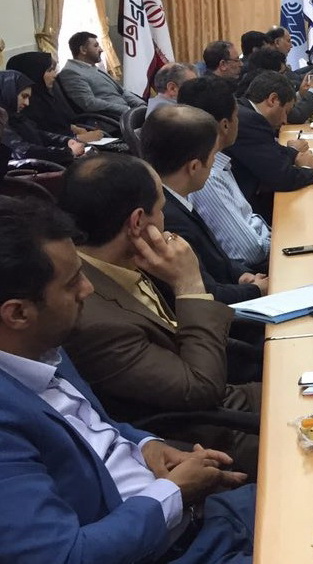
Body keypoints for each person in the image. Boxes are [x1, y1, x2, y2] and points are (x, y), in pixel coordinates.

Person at [0, 195, 255, 563]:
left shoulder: (38, 344)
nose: (88, 289)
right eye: (72, 284)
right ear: (18, 314)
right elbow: (65, 556)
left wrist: (146, 445)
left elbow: (94, 426)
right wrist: (173, 492)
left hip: (200, 518)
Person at [57, 154, 262, 477]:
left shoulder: (128, 262)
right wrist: (189, 285)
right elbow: (201, 389)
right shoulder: (91, 317)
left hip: (234, 398)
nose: (166, 220)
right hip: (210, 438)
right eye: (162, 209)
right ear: (138, 222)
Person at [142, 105, 267, 305]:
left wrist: (241, 274)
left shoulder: (176, 198)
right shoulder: (166, 218)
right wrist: (256, 289)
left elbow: (215, 257)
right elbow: (206, 292)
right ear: (194, 166)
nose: (214, 163)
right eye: (213, 156)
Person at [180, 78, 272, 272]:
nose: (239, 121)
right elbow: (250, 252)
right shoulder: (207, 176)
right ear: (225, 125)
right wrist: (277, 240)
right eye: (236, 116)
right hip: (257, 270)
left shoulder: (216, 162)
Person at [223, 71, 313, 220]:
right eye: (285, 111)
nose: (285, 120)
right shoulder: (250, 120)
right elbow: (281, 178)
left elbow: (270, 149)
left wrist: (295, 154)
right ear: (273, 100)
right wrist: (308, 169)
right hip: (250, 208)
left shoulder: (245, 111)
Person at [6, 50, 112, 146]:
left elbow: (55, 125)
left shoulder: (46, 97)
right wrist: (78, 139)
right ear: (35, 74)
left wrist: (73, 128)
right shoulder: (20, 108)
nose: (55, 75)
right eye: (49, 70)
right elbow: (38, 138)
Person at [0, 70, 86, 166]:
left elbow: (37, 133)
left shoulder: (15, 116)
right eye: (24, 96)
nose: (27, 103)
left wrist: (66, 141)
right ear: (8, 92)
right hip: (28, 171)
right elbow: (23, 151)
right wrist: (68, 152)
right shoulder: (1, 120)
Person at [58, 31, 146, 117]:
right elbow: (89, 103)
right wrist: (127, 110)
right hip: (111, 119)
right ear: (83, 50)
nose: (101, 50)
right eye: (96, 46)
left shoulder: (94, 67)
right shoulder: (71, 72)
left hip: (129, 114)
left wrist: (141, 105)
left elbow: (122, 91)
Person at [238, 46, 313, 124]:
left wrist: (300, 94)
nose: (286, 77)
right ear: (270, 73)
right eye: (282, 73)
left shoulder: (251, 79)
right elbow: (296, 116)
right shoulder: (257, 88)